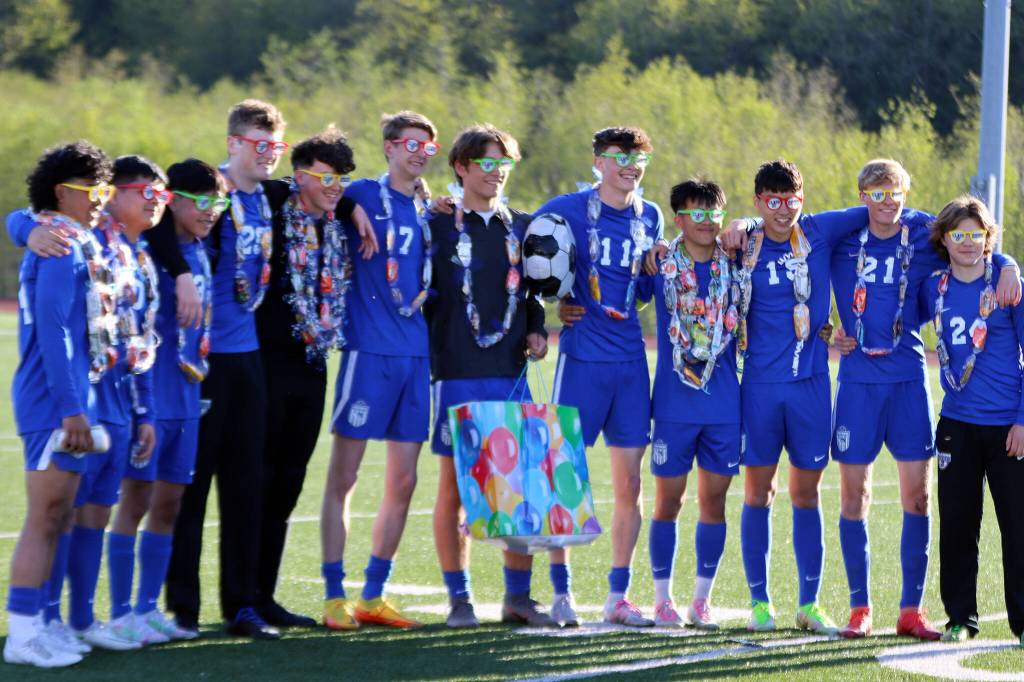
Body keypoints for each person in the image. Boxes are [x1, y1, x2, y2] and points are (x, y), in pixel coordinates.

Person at [718, 160, 931, 635]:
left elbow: (890, 209)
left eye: (791, 200)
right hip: (759, 388)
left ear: (803, 200)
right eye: (772, 202)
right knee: (758, 492)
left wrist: (1005, 262)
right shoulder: (745, 244)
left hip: (812, 386)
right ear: (758, 202)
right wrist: (741, 223)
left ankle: (810, 603)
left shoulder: (818, 230)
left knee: (807, 492)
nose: (783, 210)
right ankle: (760, 603)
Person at [828, 160, 1020, 640]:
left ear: (906, 193)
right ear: (862, 195)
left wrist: (1010, 264)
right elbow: (785, 231)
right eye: (876, 193)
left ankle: (912, 611)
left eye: (894, 191)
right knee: (857, 496)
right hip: (861, 383)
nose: (886, 201)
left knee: (921, 497)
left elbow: (975, 241)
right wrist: (830, 331)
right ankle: (861, 608)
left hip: (913, 383)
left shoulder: (923, 235)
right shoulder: (843, 235)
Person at [148, 99, 288, 639]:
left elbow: (332, 193)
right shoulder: (209, 192)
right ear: (233, 143)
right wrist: (182, 274)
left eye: (275, 145)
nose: (269, 154)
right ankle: (182, 606)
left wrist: (355, 209)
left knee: (246, 485)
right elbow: (155, 224)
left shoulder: (271, 196)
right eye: (259, 144)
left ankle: (242, 604)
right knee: (190, 486)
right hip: (200, 360)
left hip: (249, 357)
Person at [425, 124, 555, 628]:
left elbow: (532, 293)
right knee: (455, 489)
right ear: (461, 167)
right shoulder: (437, 224)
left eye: (504, 163)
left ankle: (517, 598)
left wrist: (537, 329)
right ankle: (459, 600)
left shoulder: (522, 227)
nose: (497, 172)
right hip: (456, 371)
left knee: (516, 487)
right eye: (486, 162)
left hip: (510, 373)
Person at [320, 111, 437, 630]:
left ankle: (373, 593)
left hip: (416, 355)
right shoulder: (363, 193)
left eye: (428, 147)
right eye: (411, 144)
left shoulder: (431, 207)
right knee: (344, 476)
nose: (419, 153)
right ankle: (333, 594)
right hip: (368, 353)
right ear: (389, 147)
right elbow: (305, 188)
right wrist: (347, 204)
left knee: (405, 480)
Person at [106, 159, 227, 643]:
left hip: (189, 395)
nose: (210, 212)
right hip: (150, 396)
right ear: (171, 199)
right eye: (200, 202)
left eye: (216, 203)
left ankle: (146, 607)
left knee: (170, 503)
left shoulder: (200, 248)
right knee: (135, 500)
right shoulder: (149, 252)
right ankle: (120, 612)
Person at [546, 126, 663, 627]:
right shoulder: (566, 208)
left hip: (631, 362)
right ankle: (561, 593)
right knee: (564, 477)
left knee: (630, 485)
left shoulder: (651, 215)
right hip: (581, 360)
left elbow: (641, 291)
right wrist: (555, 300)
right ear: (598, 161)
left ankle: (618, 595)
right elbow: (525, 246)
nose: (630, 165)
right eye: (620, 156)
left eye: (638, 157)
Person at [4, 141, 113, 668]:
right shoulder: (60, 244)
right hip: (52, 401)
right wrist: (71, 408)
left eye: (104, 190)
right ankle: (22, 634)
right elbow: (54, 332)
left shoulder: (74, 238)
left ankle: (41, 625)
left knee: (60, 515)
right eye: (92, 190)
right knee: (45, 516)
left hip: (68, 397)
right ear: (60, 192)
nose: (99, 200)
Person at [253, 126, 357, 628]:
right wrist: (22, 224)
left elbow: (356, 196)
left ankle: (264, 595)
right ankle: (241, 597)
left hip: (313, 365)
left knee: (289, 484)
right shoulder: (274, 204)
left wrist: (348, 203)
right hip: (266, 367)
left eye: (342, 179)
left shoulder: (335, 224)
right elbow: (241, 184)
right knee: (258, 480)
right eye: (326, 177)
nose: (335, 187)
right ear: (298, 177)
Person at [919, 195, 1024, 647]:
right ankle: (960, 618)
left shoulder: (1008, 285)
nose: (967, 242)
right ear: (944, 239)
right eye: (958, 234)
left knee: (1018, 526)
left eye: (976, 235)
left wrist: (1023, 420)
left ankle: (1023, 622)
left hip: (1009, 428)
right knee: (958, 526)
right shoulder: (932, 288)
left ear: (988, 238)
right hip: (956, 424)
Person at [645, 179, 739, 629]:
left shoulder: (737, 264)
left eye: (713, 213)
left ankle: (702, 600)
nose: (706, 222)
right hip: (673, 403)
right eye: (696, 213)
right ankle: (662, 598)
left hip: (723, 405)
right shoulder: (660, 264)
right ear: (679, 219)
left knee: (714, 502)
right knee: (668, 502)